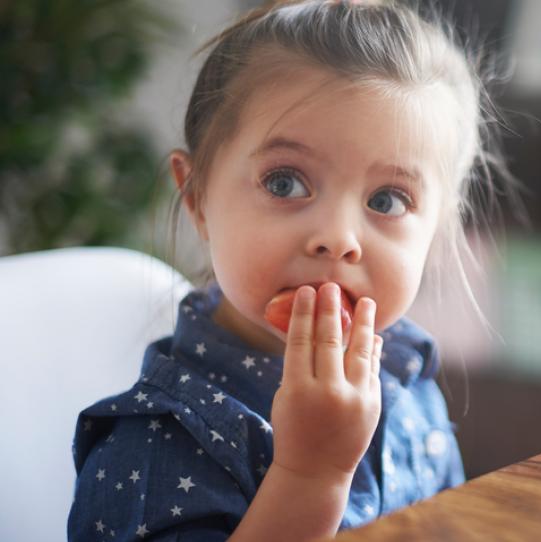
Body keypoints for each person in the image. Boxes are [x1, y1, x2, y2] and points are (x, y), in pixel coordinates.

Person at [68, 1, 516, 539]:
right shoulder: (155, 447)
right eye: (284, 183)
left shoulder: (406, 374)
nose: (339, 238)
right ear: (198, 198)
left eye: (388, 200)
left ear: (439, 231)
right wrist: (311, 475)